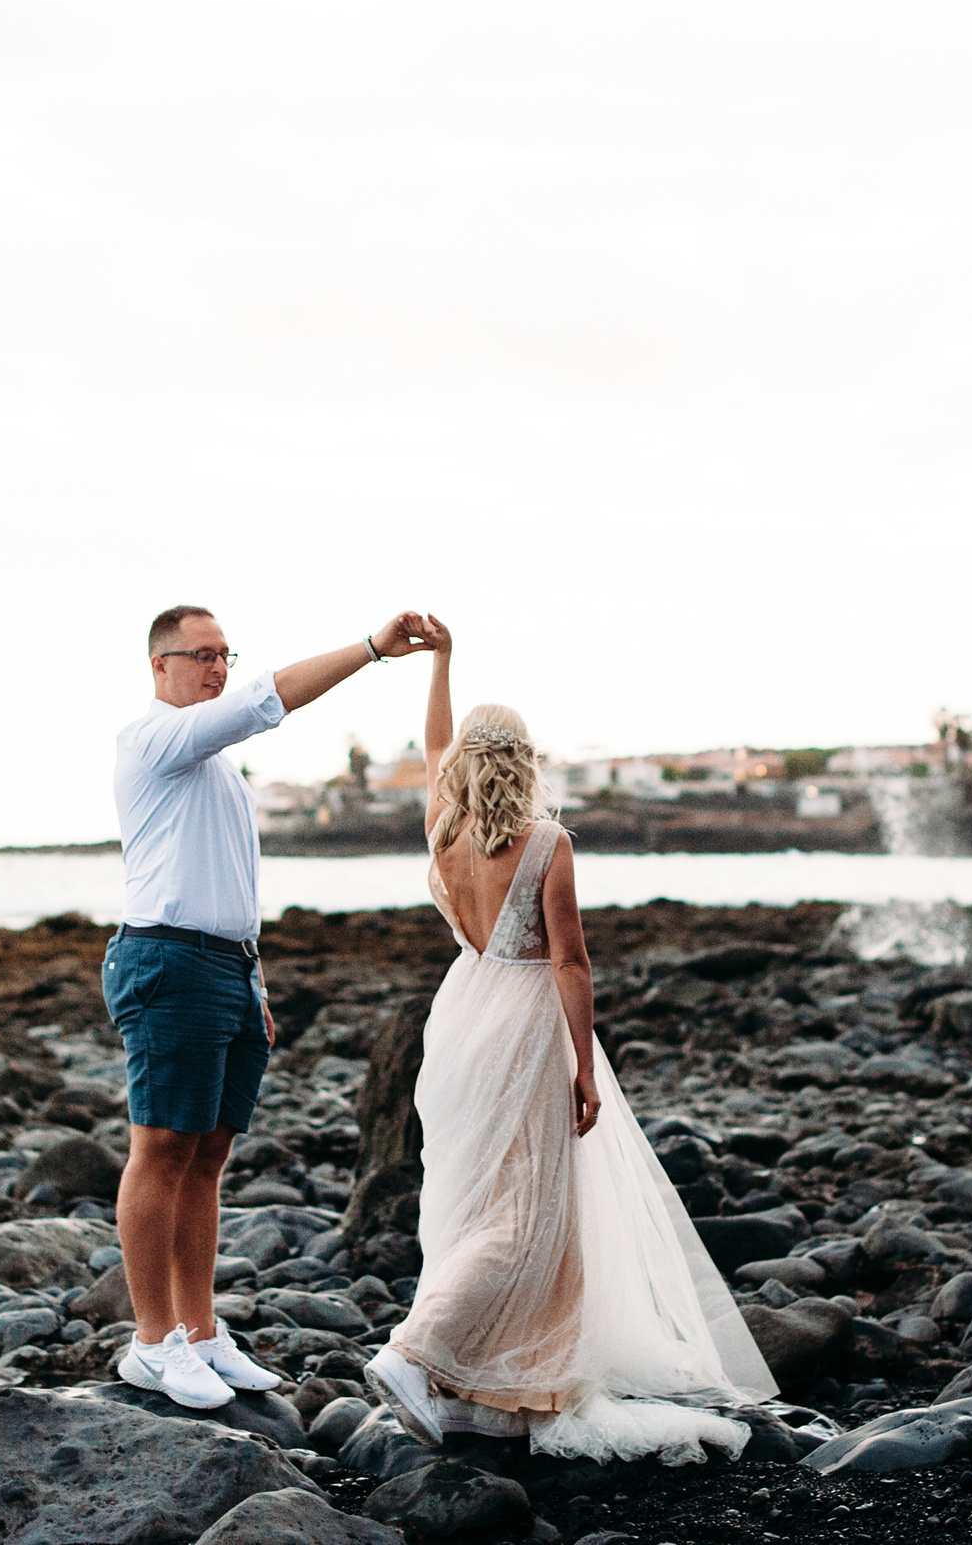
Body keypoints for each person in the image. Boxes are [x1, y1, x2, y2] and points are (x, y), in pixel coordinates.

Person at [364, 617, 778, 1461]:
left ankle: (495, 1386)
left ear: (463, 768)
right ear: (523, 761)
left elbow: (436, 743)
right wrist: (585, 1066)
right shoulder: (546, 842)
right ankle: (412, 1351)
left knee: (478, 1198)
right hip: (523, 1025)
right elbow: (572, 963)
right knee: (527, 1215)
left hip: (462, 1016)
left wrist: (441, 663)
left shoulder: (443, 827)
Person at [107, 603, 435, 1407]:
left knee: (207, 1157)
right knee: (160, 1151)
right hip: (167, 962)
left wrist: (252, 982)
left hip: (226, 968)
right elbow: (267, 700)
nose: (217, 667)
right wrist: (370, 649)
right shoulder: (153, 740)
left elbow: (229, 884)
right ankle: (153, 1343)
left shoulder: (217, 768)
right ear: (161, 666)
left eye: (225, 654)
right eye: (201, 655)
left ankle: (203, 1333)